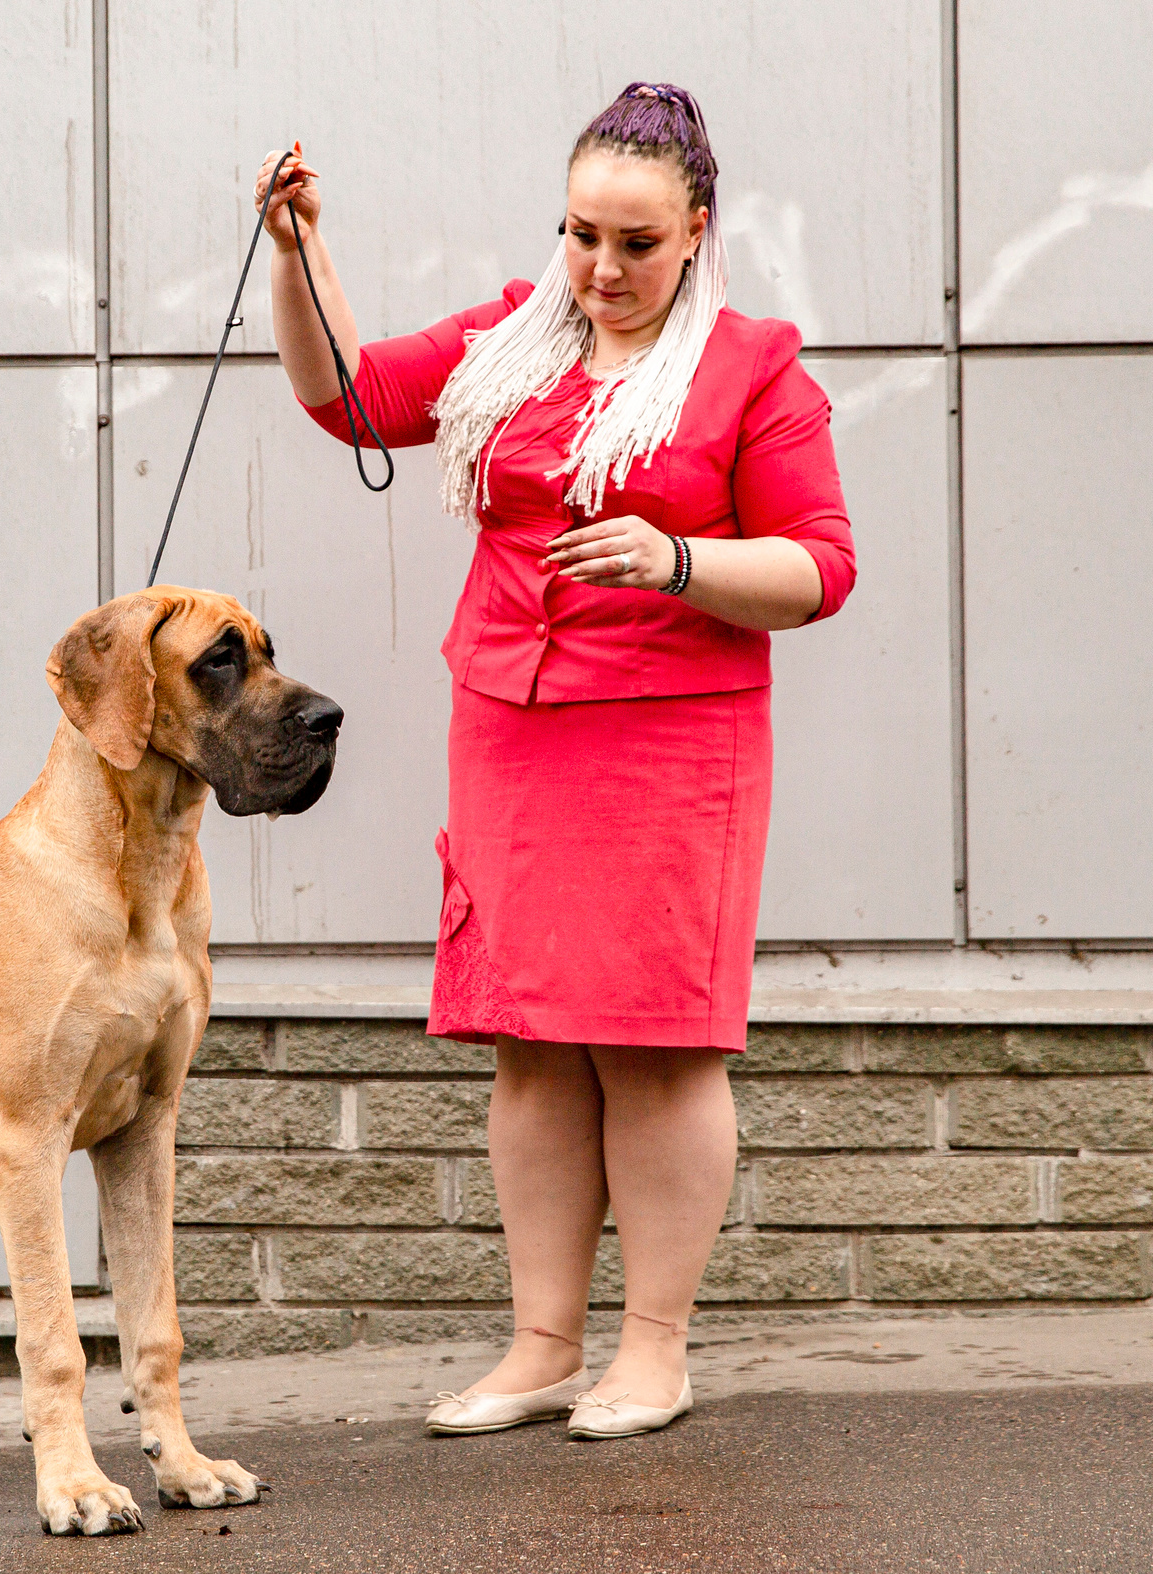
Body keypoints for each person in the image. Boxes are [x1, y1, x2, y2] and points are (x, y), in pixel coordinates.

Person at [258, 82, 856, 1439]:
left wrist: (677, 557)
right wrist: (304, 255)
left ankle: (653, 1351)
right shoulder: (508, 340)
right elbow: (346, 398)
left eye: (637, 243)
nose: (601, 268)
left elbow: (822, 564)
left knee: (652, 1051)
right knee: (528, 1045)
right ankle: (539, 1344)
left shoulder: (753, 366)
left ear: (698, 231)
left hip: (670, 742)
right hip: (512, 729)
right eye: (582, 234)